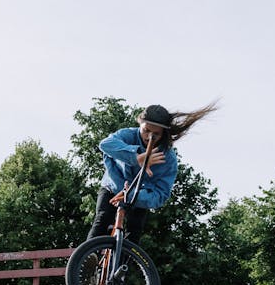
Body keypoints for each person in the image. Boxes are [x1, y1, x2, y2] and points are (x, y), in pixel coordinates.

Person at [87, 102, 217, 245]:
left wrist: (130, 195)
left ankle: (123, 265)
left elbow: (161, 195)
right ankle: (87, 259)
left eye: (156, 134)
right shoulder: (127, 135)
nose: (149, 137)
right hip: (113, 187)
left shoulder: (168, 158)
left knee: (133, 231)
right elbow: (105, 145)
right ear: (140, 123)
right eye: (146, 130)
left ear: (164, 134)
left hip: (138, 197)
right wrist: (136, 158)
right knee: (103, 218)